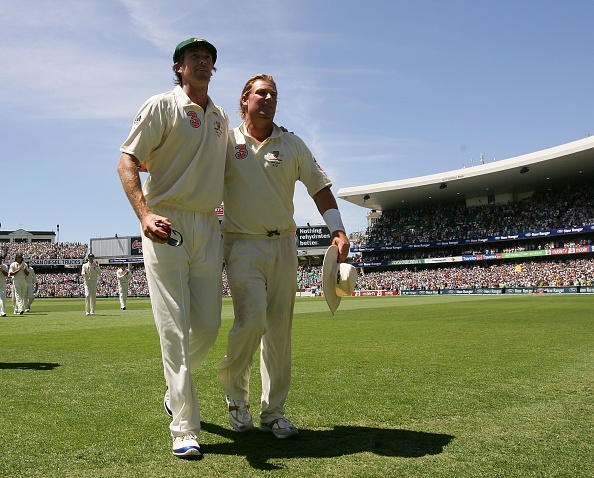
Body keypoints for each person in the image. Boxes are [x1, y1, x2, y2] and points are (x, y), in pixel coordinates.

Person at [218, 74, 350, 439]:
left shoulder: (291, 144)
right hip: (241, 243)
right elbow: (195, 170)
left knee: (279, 332)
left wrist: (337, 230)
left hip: (283, 246)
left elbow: (319, 188)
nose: (268, 98)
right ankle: (235, 394)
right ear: (244, 100)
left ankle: (273, 412)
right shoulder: (226, 141)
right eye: (261, 93)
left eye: (273, 94)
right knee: (251, 321)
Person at [117, 37, 228, 459]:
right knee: (174, 328)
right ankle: (184, 427)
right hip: (166, 221)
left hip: (207, 224)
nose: (203, 64)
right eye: (194, 58)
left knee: (209, 325)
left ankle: (172, 390)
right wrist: (144, 215)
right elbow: (128, 159)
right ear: (178, 67)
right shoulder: (161, 105)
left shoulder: (219, 116)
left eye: (209, 60)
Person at [0, 250, 8, 317]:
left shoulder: (5, 266)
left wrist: (2, 270)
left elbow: (6, 275)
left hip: (2, 283)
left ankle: (2, 312)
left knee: (2, 298)